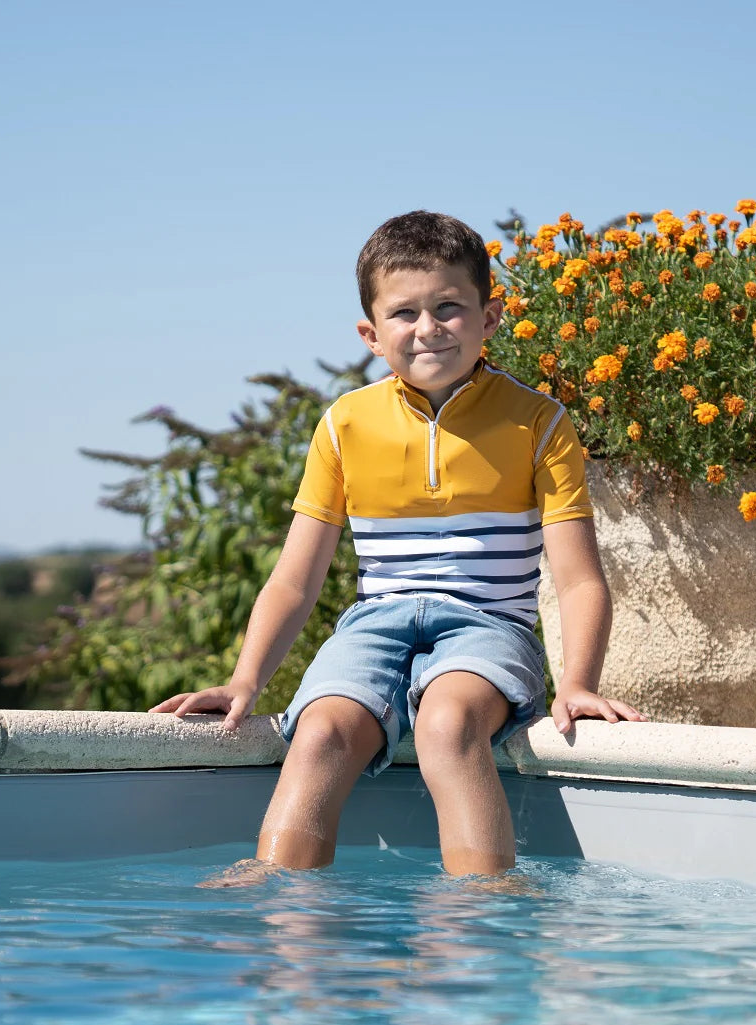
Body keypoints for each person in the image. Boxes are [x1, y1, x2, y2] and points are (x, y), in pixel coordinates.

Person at [150, 210, 646, 877]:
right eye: (405, 313)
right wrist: (246, 678)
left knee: (447, 726)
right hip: (374, 626)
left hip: (488, 627)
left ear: (490, 316)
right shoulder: (345, 424)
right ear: (371, 334)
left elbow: (578, 578)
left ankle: (481, 909)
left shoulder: (538, 422)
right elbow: (296, 579)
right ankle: (283, 911)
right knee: (320, 731)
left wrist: (579, 682)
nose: (428, 328)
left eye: (449, 307)